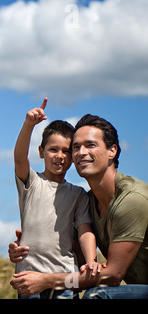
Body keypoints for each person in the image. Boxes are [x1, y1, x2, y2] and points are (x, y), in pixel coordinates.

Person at [9, 113, 148, 299]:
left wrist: (48, 280)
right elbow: (73, 246)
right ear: (41, 151)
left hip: (63, 286)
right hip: (33, 276)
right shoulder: (89, 200)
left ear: (112, 151)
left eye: (90, 145)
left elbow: (113, 276)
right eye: (76, 147)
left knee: (96, 295)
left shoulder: (131, 199)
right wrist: (25, 246)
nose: (81, 152)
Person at [12, 98, 100, 299]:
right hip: (28, 276)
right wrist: (28, 125)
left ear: (73, 156)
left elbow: (85, 229)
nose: (60, 156)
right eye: (53, 149)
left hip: (64, 279)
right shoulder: (31, 183)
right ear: (41, 152)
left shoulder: (78, 194)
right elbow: (19, 158)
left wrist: (90, 260)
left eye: (67, 151)